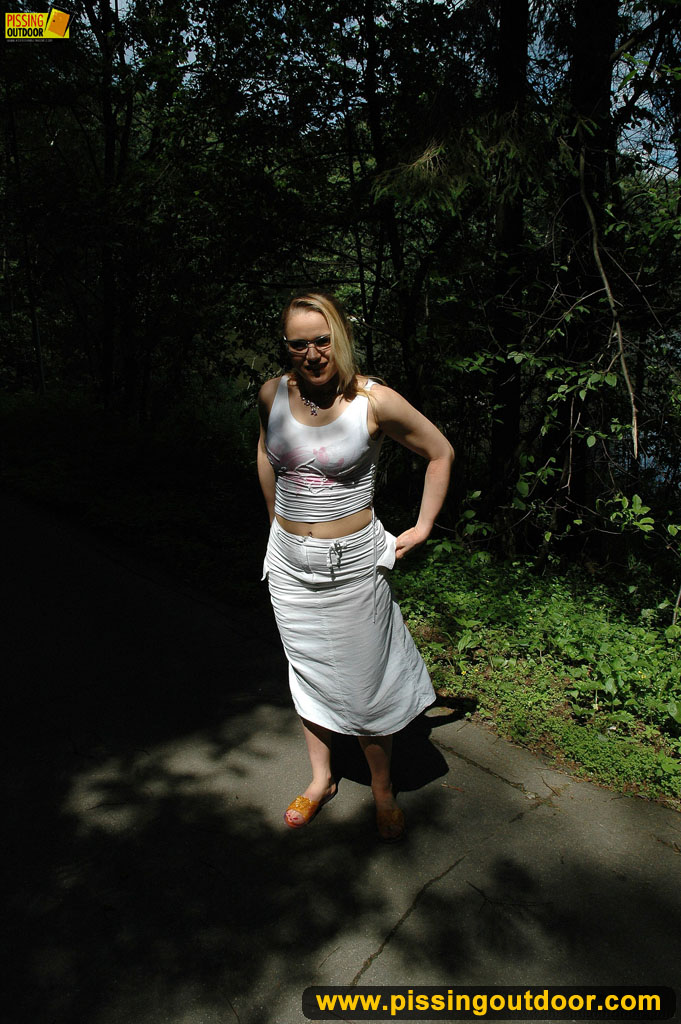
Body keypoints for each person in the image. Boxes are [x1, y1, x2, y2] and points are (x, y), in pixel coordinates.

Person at [258, 291, 454, 841]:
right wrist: (275, 521)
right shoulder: (273, 393)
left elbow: (440, 453)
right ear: (287, 346)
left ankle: (383, 789)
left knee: (366, 683)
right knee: (306, 671)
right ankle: (321, 779)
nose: (312, 354)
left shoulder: (374, 401)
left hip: (351, 569)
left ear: (340, 336)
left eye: (322, 340)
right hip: (288, 567)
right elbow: (266, 454)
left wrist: (423, 526)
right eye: (299, 344)